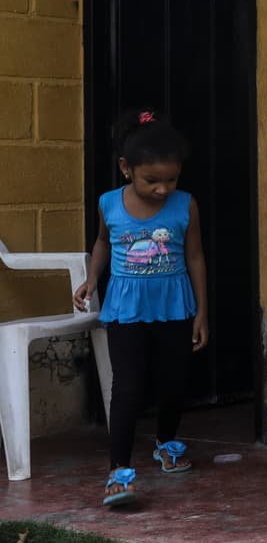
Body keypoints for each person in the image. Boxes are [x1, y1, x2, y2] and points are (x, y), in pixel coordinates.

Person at [73, 109, 209, 508]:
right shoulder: (109, 204)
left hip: (174, 307)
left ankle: (166, 443)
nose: (163, 189)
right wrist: (92, 278)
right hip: (126, 309)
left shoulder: (186, 205)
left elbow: (195, 257)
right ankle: (118, 470)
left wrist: (202, 311)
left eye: (171, 180)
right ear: (126, 168)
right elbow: (102, 242)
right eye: (152, 180)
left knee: (173, 383)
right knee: (127, 387)